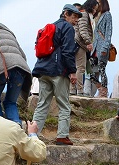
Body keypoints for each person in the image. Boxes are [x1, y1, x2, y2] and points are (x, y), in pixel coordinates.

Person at [31, 4, 81, 146]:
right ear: (66, 14)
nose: (76, 19)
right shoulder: (68, 28)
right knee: (64, 105)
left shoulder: (50, 27)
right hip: (58, 71)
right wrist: (72, 71)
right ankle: (62, 136)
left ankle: (33, 134)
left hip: (43, 70)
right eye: (74, 16)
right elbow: (68, 51)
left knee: (42, 104)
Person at [84, 0, 112, 98]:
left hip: (102, 47)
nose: (97, 5)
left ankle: (104, 92)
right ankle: (100, 88)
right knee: (89, 70)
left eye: (99, 3)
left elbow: (108, 33)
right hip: (93, 47)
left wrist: (105, 46)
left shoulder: (107, 15)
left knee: (101, 70)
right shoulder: (95, 15)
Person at [73, 2, 93, 96]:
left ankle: (73, 89)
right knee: (80, 68)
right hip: (80, 44)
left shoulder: (81, 14)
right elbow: (83, 29)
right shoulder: (84, 14)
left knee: (75, 67)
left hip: (76, 42)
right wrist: (88, 42)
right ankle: (79, 90)